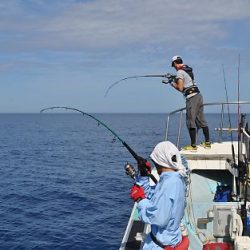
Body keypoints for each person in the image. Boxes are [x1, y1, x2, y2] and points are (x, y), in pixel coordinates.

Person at [130, 141, 189, 250]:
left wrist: (140, 199)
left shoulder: (168, 184)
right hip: (171, 240)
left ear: (161, 161)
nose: (154, 164)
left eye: (155, 162)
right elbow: (156, 198)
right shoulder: (175, 178)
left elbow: (158, 218)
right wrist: (143, 176)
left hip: (160, 245)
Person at [170, 55, 211, 150]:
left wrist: (172, 83)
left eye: (173, 65)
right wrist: (175, 78)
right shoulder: (187, 69)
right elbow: (187, 82)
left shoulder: (180, 72)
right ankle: (207, 143)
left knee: (190, 121)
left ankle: (193, 146)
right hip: (199, 96)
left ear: (175, 63)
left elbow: (180, 88)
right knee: (201, 120)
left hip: (192, 98)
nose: (174, 68)